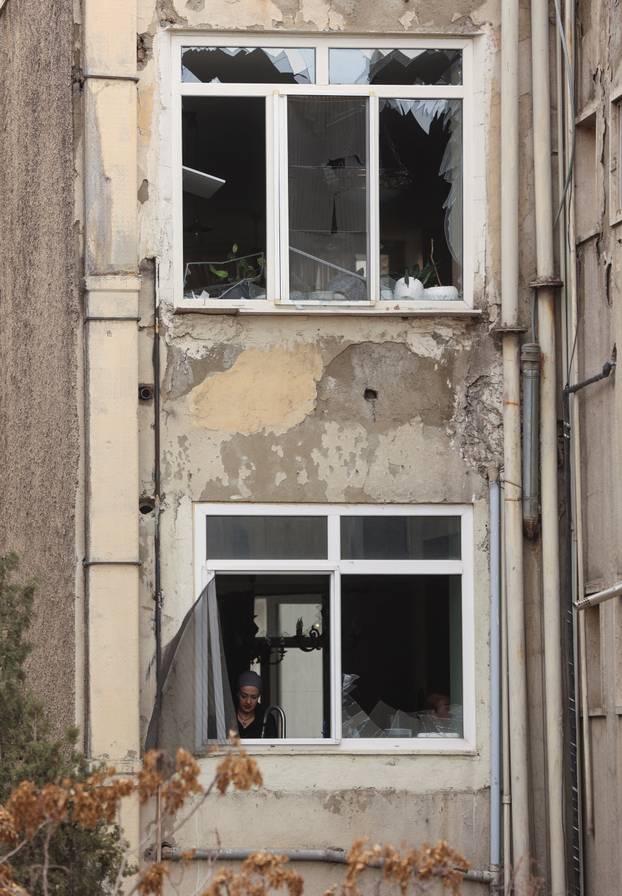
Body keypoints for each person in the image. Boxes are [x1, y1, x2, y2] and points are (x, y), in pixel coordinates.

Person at [235, 670, 278, 739]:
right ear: (237, 694)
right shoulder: (227, 716)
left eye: (253, 697)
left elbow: (271, 748)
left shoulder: (266, 719)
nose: (248, 702)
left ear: (259, 696)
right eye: (243, 696)